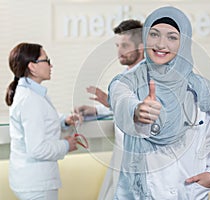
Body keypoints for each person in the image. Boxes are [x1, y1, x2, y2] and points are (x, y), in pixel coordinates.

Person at [108, 6, 210, 199]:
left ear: (184, 42)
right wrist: (137, 111)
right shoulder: (126, 83)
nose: (161, 44)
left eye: (172, 37)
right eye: (154, 34)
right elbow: (121, 101)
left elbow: (208, 140)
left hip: (190, 191)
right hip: (145, 192)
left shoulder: (200, 88)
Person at [74, 19, 144, 200]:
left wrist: (109, 101)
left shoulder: (148, 78)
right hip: (122, 158)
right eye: (118, 45)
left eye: (125, 45)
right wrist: (98, 109)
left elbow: (141, 112)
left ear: (142, 47)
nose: (119, 51)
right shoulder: (124, 78)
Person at [5, 42, 79, 200]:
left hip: (30, 181)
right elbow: (37, 149)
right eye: (46, 60)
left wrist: (64, 120)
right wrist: (66, 145)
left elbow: (42, 120)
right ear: (32, 66)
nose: (51, 65)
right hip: (36, 184)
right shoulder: (29, 99)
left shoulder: (32, 93)